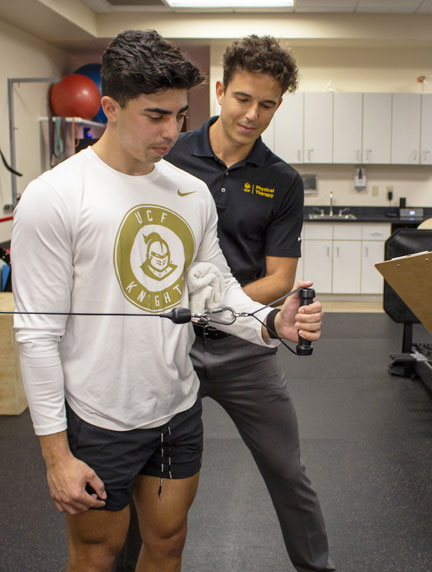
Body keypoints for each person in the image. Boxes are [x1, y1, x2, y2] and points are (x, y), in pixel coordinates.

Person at [11, 29, 323, 572]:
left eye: (180, 115)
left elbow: (215, 289)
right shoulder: (55, 196)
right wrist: (56, 455)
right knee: (97, 553)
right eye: (155, 115)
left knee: (167, 544)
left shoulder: (187, 190)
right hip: (100, 412)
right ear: (109, 107)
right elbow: (36, 334)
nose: (171, 130)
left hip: (175, 407)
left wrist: (273, 323)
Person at [114, 34, 335, 572]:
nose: (252, 114)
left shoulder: (280, 180)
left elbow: (281, 276)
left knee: (288, 469)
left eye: (267, 104)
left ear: (279, 104)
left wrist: (210, 301)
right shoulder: (169, 154)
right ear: (219, 90)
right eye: (242, 98)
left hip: (244, 348)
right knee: (137, 475)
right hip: (169, 343)